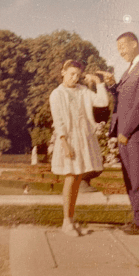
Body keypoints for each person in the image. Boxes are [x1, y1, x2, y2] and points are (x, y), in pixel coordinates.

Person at [99, 32, 139, 235]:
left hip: (135, 134)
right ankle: (138, 220)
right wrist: (112, 85)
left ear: (135, 43)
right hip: (126, 134)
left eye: (123, 47)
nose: (121, 52)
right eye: (118, 49)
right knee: (131, 180)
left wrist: (126, 131)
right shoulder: (131, 68)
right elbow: (124, 98)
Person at [49, 60, 108, 237]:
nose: (74, 78)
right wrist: (65, 143)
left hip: (84, 138)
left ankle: (71, 221)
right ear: (63, 72)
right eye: (71, 74)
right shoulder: (57, 94)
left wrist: (99, 83)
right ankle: (66, 222)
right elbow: (58, 120)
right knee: (70, 179)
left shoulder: (83, 91)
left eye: (77, 75)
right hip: (68, 139)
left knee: (77, 180)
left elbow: (102, 101)